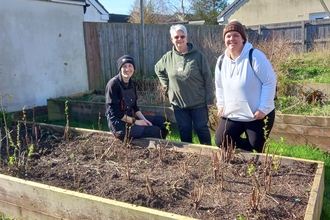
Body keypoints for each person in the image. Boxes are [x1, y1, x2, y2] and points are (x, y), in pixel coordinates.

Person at [214, 20, 277, 152]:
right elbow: (219, 86)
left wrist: (263, 109)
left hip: (256, 115)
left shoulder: (255, 56)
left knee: (255, 147)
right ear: (224, 39)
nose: (232, 39)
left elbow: (269, 81)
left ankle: (252, 152)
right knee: (221, 141)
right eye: (228, 36)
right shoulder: (221, 61)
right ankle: (244, 152)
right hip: (233, 114)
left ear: (243, 38)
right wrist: (221, 105)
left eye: (236, 35)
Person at [154, 24, 214, 145]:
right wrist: (167, 85)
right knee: (184, 130)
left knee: (200, 128)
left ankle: (209, 155)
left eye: (182, 36)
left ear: (187, 37)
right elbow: (158, 69)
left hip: (198, 102)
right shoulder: (168, 57)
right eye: (176, 37)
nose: (179, 39)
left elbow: (208, 77)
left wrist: (210, 99)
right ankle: (189, 156)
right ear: (172, 39)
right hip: (179, 103)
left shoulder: (198, 56)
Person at [105, 55, 168, 141]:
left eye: (130, 66)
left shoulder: (132, 84)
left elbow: (135, 106)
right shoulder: (113, 84)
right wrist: (136, 122)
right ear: (120, 69)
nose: (127, 69)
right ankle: (153, 150)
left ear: (133, 68)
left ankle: (163, 147)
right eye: (124, 66)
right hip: (119, 125)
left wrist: (144, 120)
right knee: (155, 131)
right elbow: (115, 113)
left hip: (130, 117)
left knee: (162, 121)